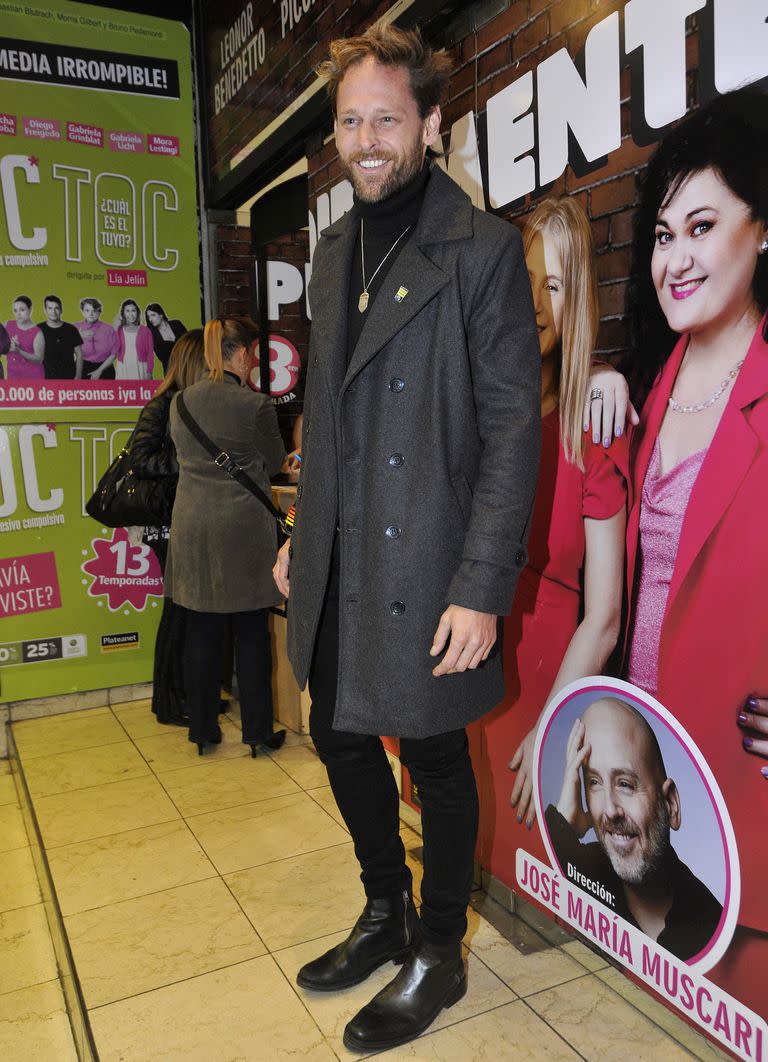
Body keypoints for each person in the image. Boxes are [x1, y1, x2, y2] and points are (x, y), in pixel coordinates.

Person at [272, 25, 540, 1053]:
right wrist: (302, 527)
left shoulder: (479, 250)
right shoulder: (334, 248)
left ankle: (438, 949)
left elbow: (515, 426)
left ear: (430, 125)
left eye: (387, 118)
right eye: (351, 121)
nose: (367, 139)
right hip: (342, 552)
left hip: (431, 558)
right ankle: (383, 909)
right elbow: (328, 421)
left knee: (432, 754)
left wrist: (481, 585)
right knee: (338, 731)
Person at [585, 86, 768, 1013]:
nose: (677, 257)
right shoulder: (651, 383)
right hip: (656, 737)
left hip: (741, 764)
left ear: (763, 230)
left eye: (703, 225)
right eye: (663, 235)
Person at [472, 199, 628, 887]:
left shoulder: (595, 419)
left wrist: (555, 726)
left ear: (578, 301)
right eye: (525, 277)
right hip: (468, 664)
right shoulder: (477, 407)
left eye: (557, 284)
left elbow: (606, 614)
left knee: (527, 885)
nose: (536, 301)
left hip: (548, 680)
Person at [166, 318, 286, 755]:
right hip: (242, 530)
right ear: (238, 355)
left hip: (192, 527)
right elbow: (274, 461)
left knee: (201, 632)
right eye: (251, 352)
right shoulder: (254, 406)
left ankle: (203, 731)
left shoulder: (180, 403)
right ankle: (256, 733)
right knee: (252, 633)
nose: (253, 360)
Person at [546, 697, 722, 962]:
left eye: (625, 784)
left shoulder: (710, 928)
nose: (609, 809)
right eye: (594, 782)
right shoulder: (575, 864)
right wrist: (563, 824)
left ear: (671, 805)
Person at [130, 329, 206, 726]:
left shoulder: (186, 404)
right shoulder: (162, 405)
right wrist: (186, 460)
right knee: (178, 611)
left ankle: (187, 695)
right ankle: (170, 701)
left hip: (186, 517)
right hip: (167, 520)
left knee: (188, 611)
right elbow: (140, 460)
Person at [37, 295, 84, 379]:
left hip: (68, 377)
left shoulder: (71, 329)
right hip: (45, 378)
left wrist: (78, 376)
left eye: (56, 308)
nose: (53, 312)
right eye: (50, 308)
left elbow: (79, 354)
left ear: (61, 310)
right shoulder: (38, 329)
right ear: (45, 310)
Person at [75, 298, 118, 380]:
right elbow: (65, 352)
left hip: (105, 368)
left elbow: (114, 354)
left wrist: (99, 370)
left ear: (99, 312)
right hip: (81, 367)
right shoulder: (75, 328)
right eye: (87, 310)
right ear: (82, 311)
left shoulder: (109, 329)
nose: (91, 314)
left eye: (94, 310)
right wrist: (77, 337)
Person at [113, 299, 154, 380]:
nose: (131, 314)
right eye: (127, 311)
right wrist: (115, 328)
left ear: (137, 312)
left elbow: (150, 353)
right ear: (123, 313)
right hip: (123, 367)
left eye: (133, 311)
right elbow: (114, 349)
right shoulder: (119, 330)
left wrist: (149, 372)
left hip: (141, 367)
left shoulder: (146, 331)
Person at [6, 296, 44, 379]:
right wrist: (7, 346)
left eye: (22, 310)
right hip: (13, 375)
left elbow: (39, 359)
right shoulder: (8, 325)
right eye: (15, 310)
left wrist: (19, 351)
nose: (18, 314)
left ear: (30, 310)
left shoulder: (37, 332)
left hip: (32, 377)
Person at [145, 303, 186, 373]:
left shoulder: (177, 324)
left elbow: (190, 343)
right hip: (171, 372)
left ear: (161, 315)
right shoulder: (151, 334)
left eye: (153, 315)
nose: (150, 319)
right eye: (148, 317)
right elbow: (163, 357)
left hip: (187, 367)